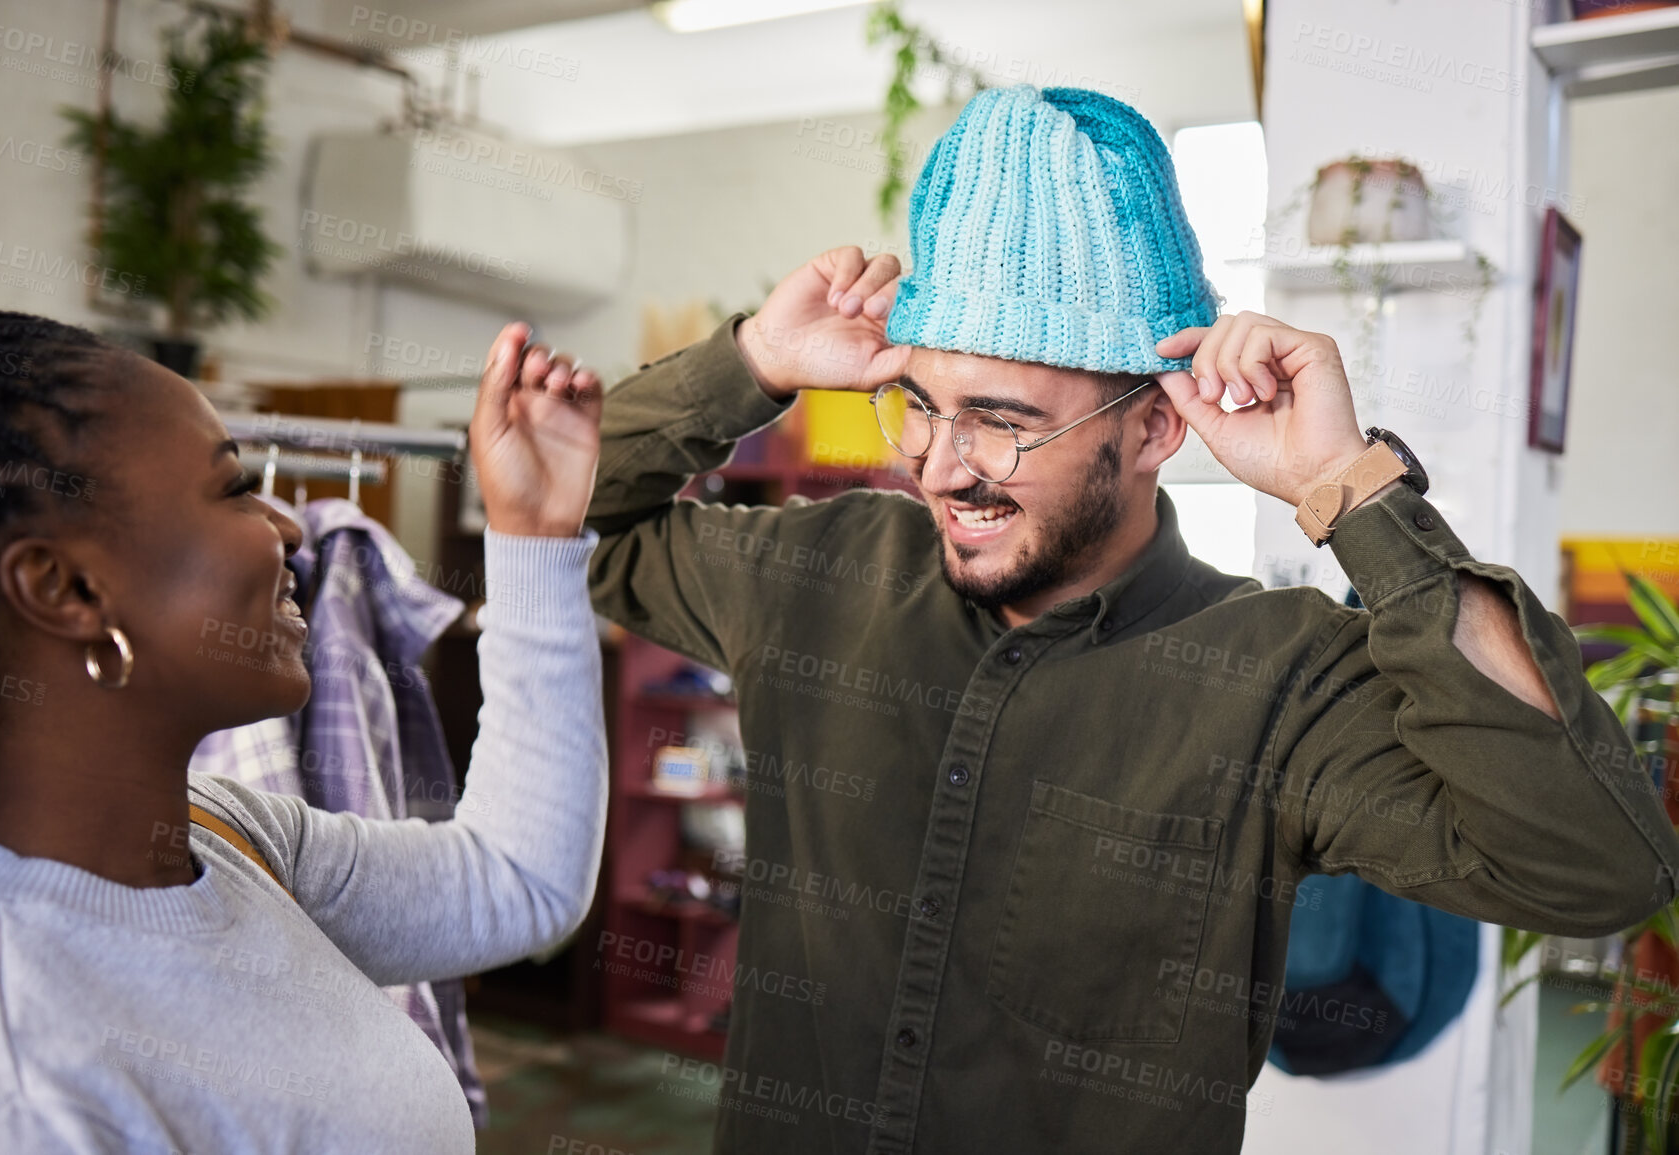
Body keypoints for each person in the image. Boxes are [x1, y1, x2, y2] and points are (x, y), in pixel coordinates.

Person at [580, 85, 1679, 1153]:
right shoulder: (817, 570)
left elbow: (1593, 869)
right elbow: (568, 518)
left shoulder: (1283, 679)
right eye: (919, 407)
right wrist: (750, 365)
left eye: (1002, 422)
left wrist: (1354, 489)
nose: (941, 468)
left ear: (1155, 428)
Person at [0, 314, 607, 1153]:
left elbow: (516, 880)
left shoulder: (228, 835)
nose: (291, 527)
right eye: (231, 490)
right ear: (68, 589)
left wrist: (536, 534)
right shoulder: (11, 1082)